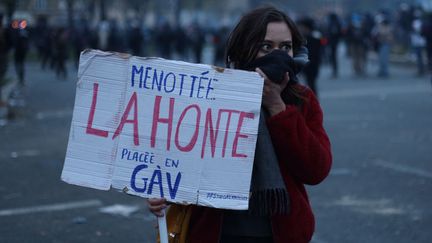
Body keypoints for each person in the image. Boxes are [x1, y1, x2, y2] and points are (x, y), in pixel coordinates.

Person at [148, 6, 332, 243]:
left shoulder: (302, 100)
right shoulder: (214, 94)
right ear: (246, 48)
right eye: (266, 47)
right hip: (217, 231)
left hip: (280, 233)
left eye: (285, 47)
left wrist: (278, 108)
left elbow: (316, 169)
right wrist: (164, 195)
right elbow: (186, 164)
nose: (278, 55)